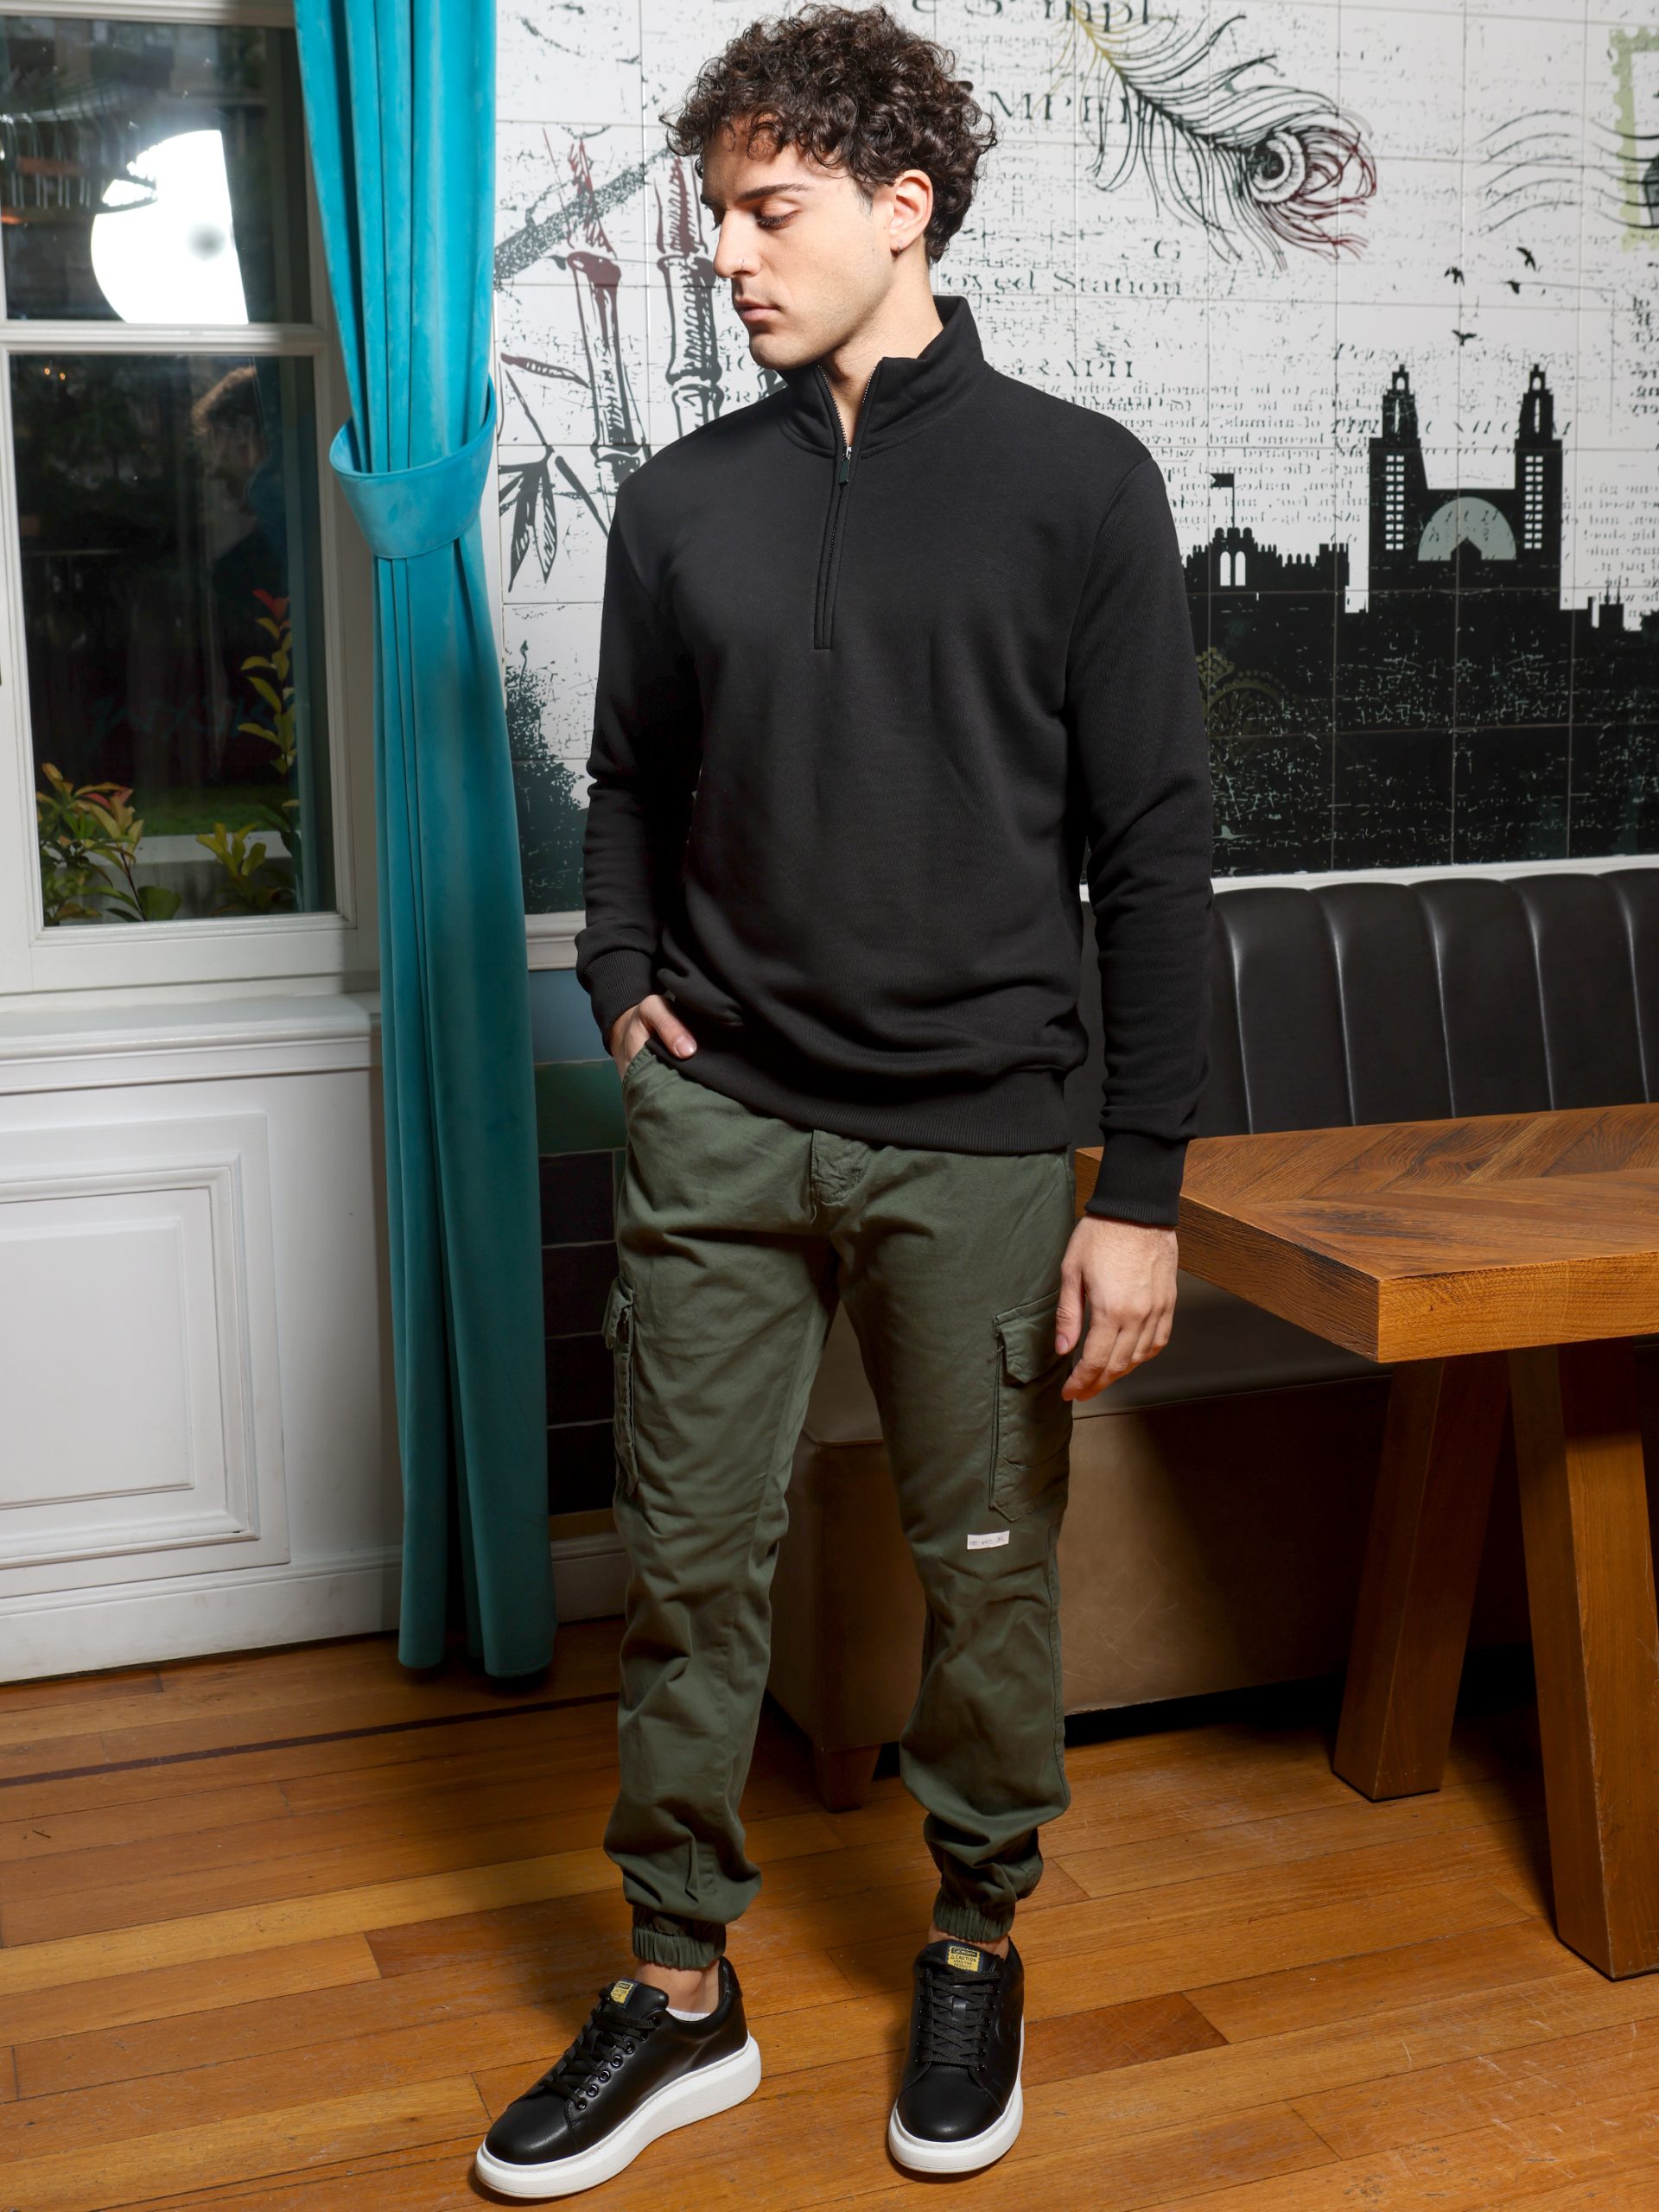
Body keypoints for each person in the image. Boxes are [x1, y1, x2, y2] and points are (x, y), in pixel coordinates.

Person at [474, 3, 1213, 2197]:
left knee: (987, 1579)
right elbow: (628, 784)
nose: (726, 253)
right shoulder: (683, 498)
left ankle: (974, 1936)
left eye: (768, 210)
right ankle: (678, 1987)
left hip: (984, 1140)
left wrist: (1142, 1188)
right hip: (721, 1126)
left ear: (905, 207)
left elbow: (1154, 853)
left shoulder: (1081, 483)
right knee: (689, 1572)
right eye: (715, 214)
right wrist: (621, 984)